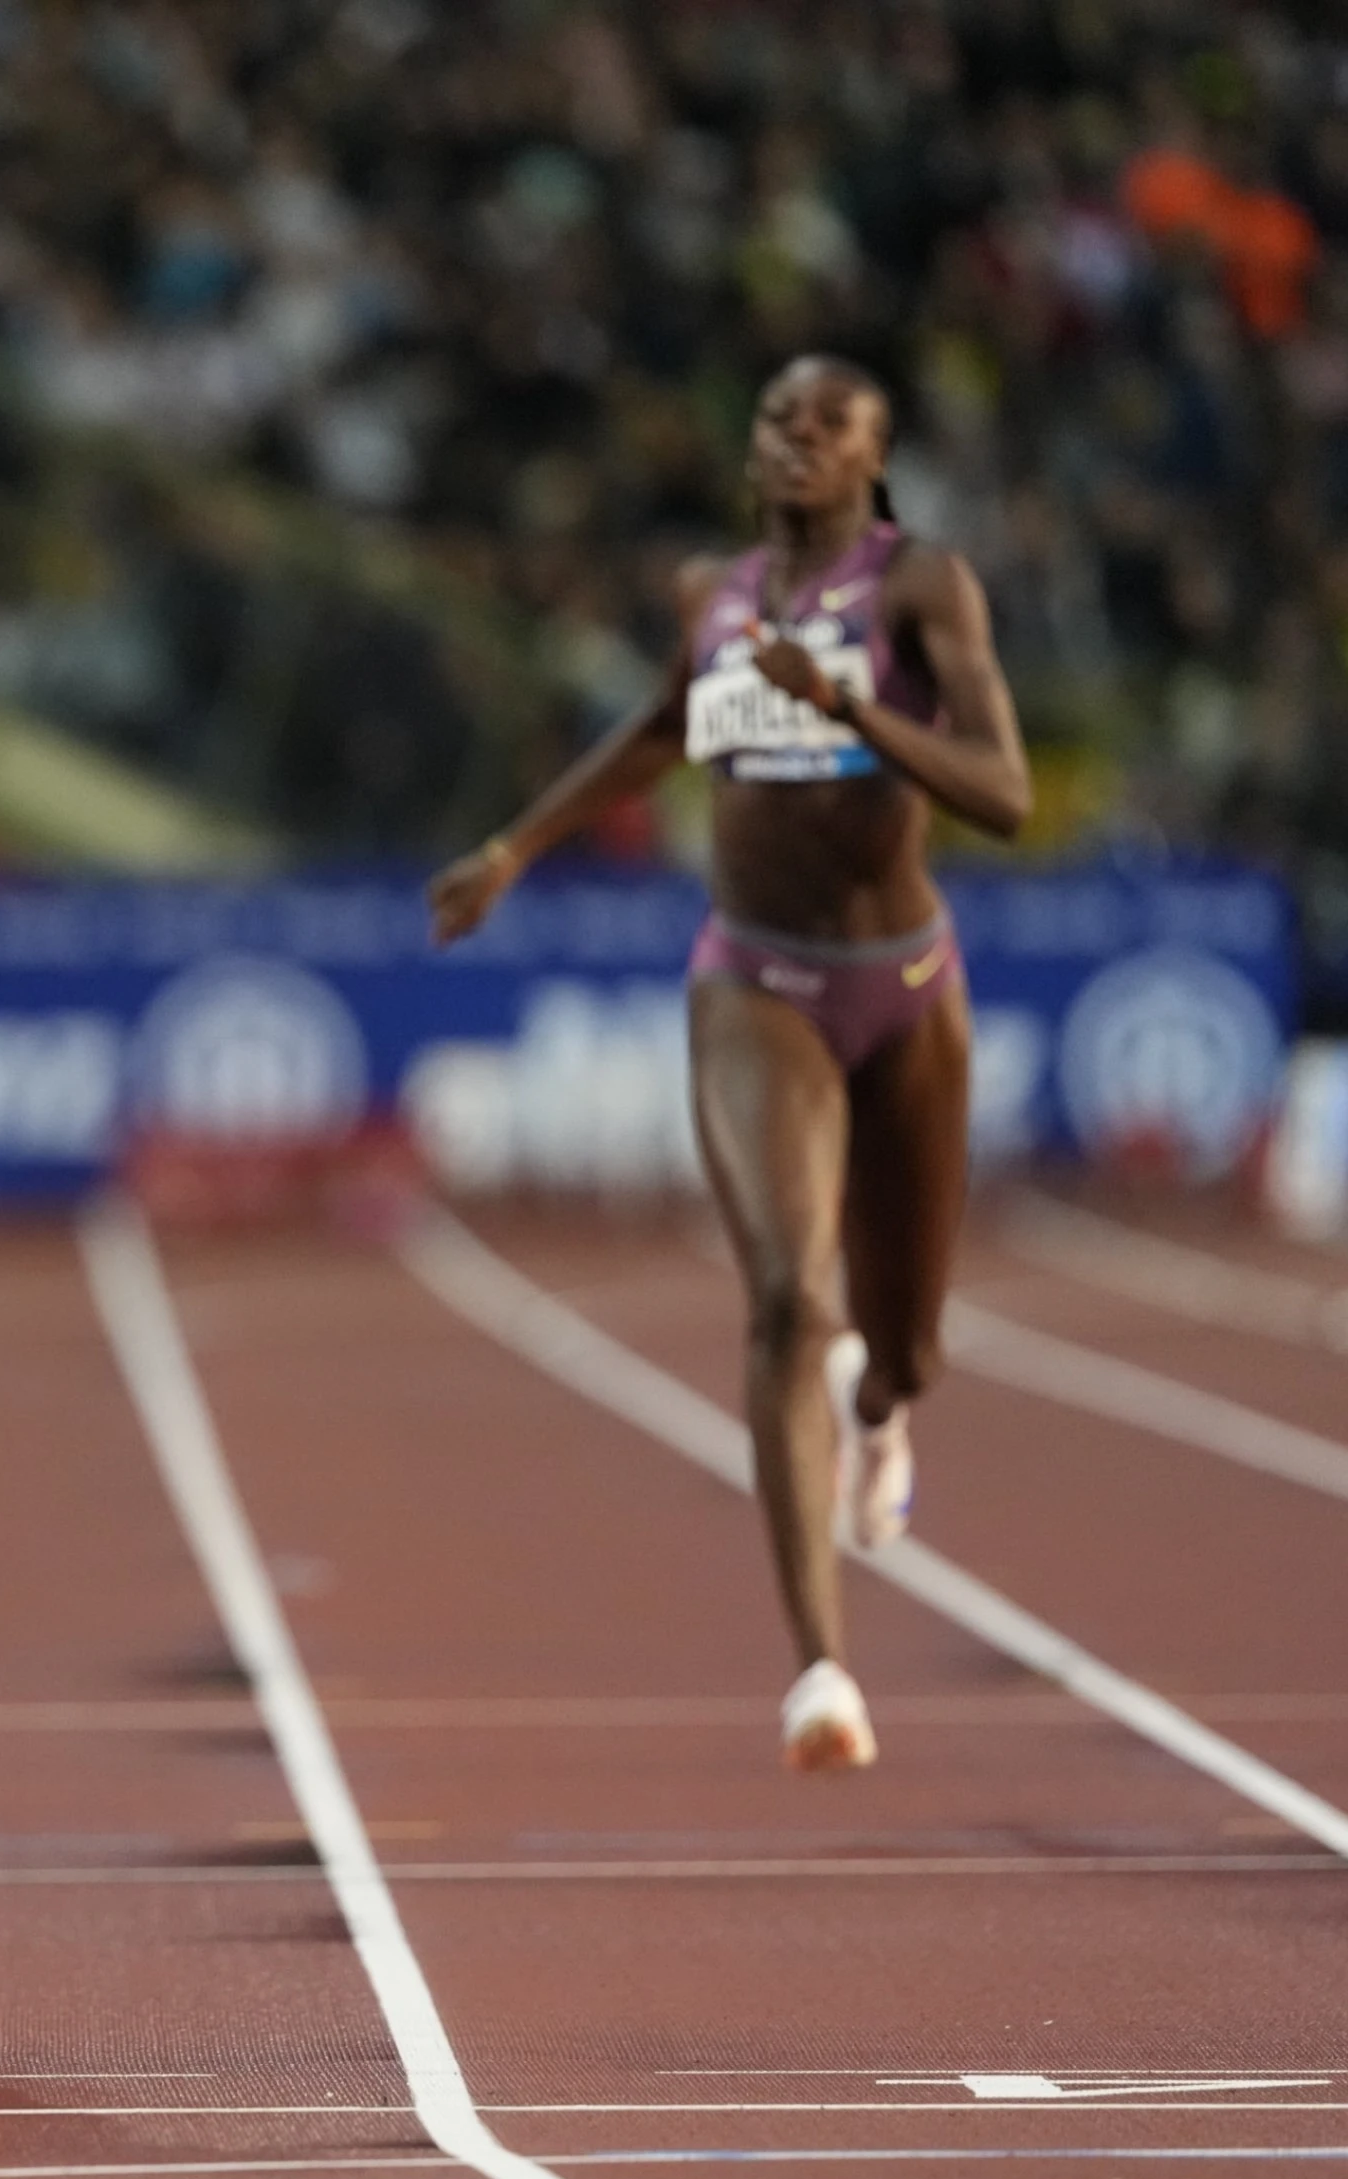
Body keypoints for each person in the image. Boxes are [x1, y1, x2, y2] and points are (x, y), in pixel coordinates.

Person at [427, 357, 1030, 1774]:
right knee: (783, 1299)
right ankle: (819, 1667)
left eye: (831, 426)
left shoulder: (921, 588)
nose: (798, 440)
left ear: (874, 458)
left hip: (905, 987)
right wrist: (513, 848)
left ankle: (879, 1410)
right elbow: (661, 730)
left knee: (907, 1340)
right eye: (777, 420)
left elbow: (1002, 791)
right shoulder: (712, 591)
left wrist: (848, 708)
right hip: (754, 979)